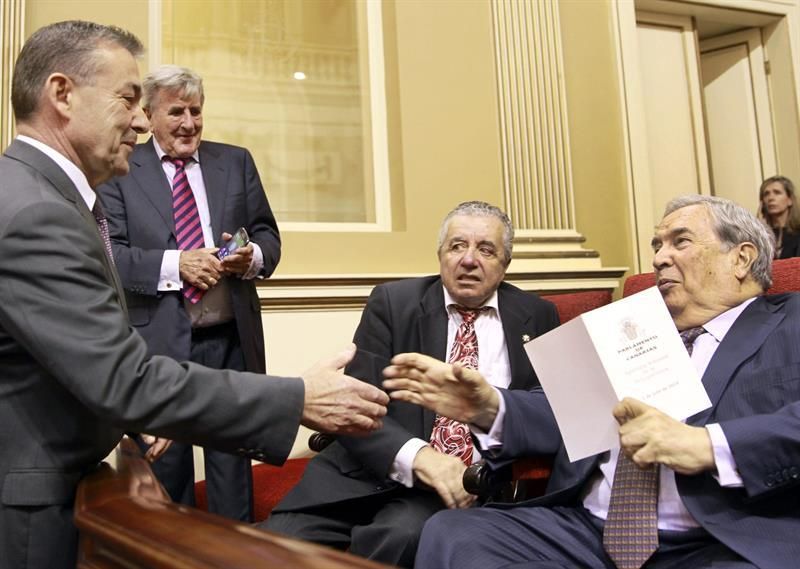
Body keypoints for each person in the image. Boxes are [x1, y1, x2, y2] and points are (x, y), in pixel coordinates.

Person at [0, 20, 388, 569]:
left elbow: (65, 355)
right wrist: (299, 398)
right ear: (62, 94)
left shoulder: (37, 192)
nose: (142, 119)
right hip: (30, 514)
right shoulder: (39, 212)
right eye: (130, 99)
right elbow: (121, 378)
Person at [385, 195, 800, 569]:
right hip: (588, 531)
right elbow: (565, 409)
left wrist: (709, 445)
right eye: (657, 245)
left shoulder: (791, 321)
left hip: (721, 538)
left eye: (680, 242)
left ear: (741, 258)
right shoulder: (631, 328)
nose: (659, 259)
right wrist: (491, 406)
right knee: (453, 533)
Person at [263, 201, 560, 567]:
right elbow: (355, 402)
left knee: (399, 536)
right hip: (365, 470)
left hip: (448, 488)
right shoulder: (393, 303)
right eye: (457, 246)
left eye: (486, 249)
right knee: (275, 544)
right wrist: (421, 458)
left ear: (505, 265)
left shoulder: (537, 316)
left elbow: (545, 408)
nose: (468, 260)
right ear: (440, 254)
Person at [97, 65, 280, 522]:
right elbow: (111, 256)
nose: (188, 123)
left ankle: (234, 553)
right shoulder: (121, 167)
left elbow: (267, 237)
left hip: (229, 342)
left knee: (231, 468)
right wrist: (175, 263)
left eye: (196, 111)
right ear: (149, 115)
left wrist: (251, 255)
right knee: (167, 472)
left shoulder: (234, 161)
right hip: (160, 347)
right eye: (176, 111)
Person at [758, 175, 800, 259]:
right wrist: (758, 230)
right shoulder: (761, 234)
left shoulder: (798, 232)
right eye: (766, 194)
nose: (771, 198)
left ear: (789, 200)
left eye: (777, 192)